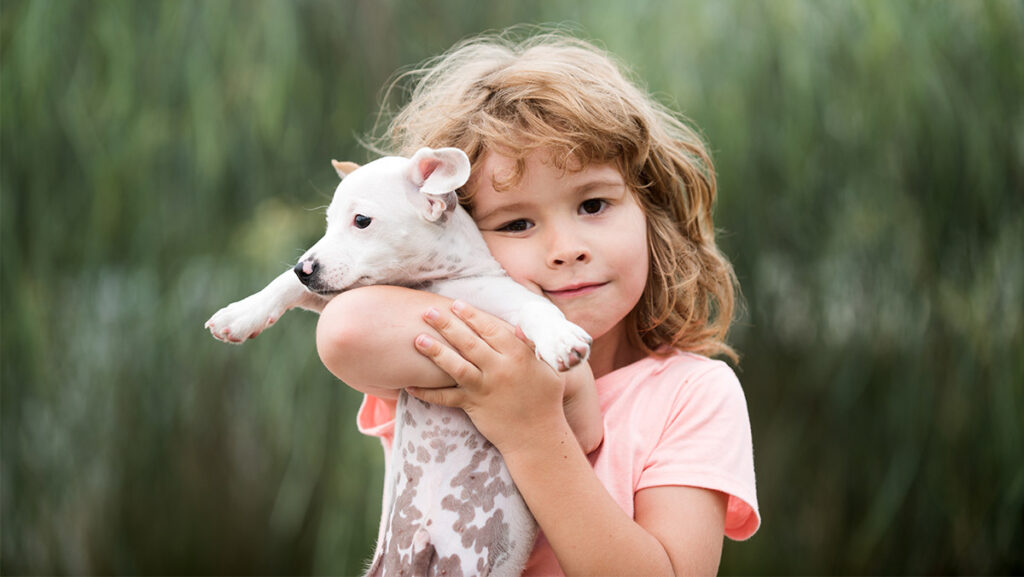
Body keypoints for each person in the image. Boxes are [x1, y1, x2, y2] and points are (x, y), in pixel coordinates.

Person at [316, 28, 760, 576]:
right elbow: (344, 331)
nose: (565, 250)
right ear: (456, 235)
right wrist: (547, 377)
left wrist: (532, 427)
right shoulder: (455, 359)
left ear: (651, 212)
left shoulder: (692, 394)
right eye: (518, 222)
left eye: (594, 204)